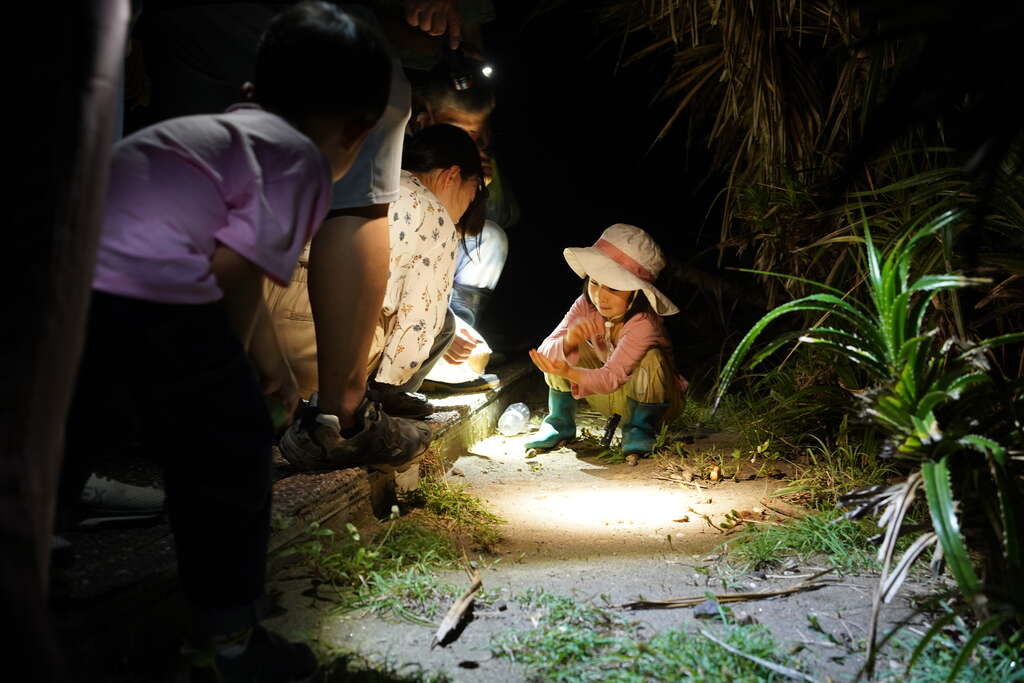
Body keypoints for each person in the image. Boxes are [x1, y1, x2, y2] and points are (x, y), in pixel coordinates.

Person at [58, 3, 391, 680]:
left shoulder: (226, 131)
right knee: (228, 451)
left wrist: (270, 367)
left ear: (252, 91)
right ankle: (229, 642)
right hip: (151, 284)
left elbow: (223, 257)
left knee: (74, 419)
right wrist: (236, 383)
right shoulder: (301, 161)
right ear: (357, 132)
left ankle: (47, 548)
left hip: (67, 268)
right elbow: (234, 280)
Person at [270, 123, 486, 470]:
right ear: (451, 175)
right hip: (326, 360)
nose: (469, 205)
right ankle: (363, 418)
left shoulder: (352, 181)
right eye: (474, 191)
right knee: (442, 321)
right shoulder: (432, 213)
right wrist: (389, 388)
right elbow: (415, 328)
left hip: (264, 347)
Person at [526, 224, 689, 455]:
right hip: (609, 396)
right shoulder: (585, 305)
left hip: (656, 405)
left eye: (613, 287)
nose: (600, 296)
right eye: (594, 282)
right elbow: (543, 355)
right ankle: (559, 423)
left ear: (636, 292)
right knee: (561, 348)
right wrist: (570, 341)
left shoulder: (643, 323)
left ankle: (640, 429)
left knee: (651, 358)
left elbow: (612, 376)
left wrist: (569, 371)